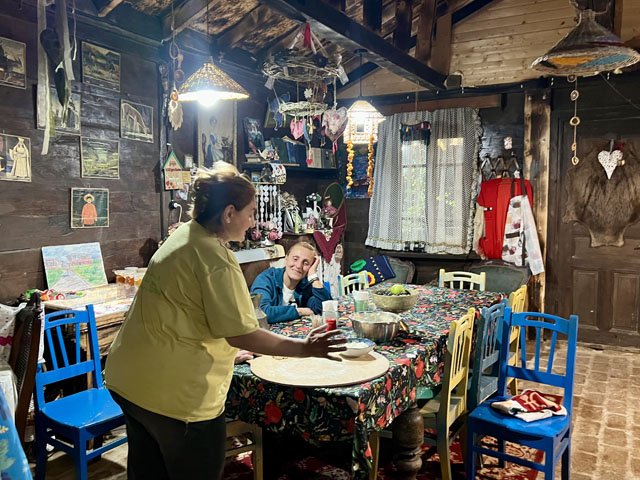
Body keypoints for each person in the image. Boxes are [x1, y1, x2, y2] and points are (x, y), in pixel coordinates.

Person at [104, 162, 345, 480]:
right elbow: (243, 334)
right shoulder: (215, 258)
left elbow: (186, 313)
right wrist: (305, 348)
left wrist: (227, 351)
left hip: (130, 380)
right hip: (176, 397)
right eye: (251, 213)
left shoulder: (183, 235)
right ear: (229, 213)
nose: (253, 221)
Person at [250, 242, 331, 324]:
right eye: (295, 259)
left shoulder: (306, 285)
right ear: (286, 258)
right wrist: (299, 311)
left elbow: (326, 310)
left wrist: (313, 277)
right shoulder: (266, 279)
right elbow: (261, 312)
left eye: (306, 263)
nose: (299, 266)